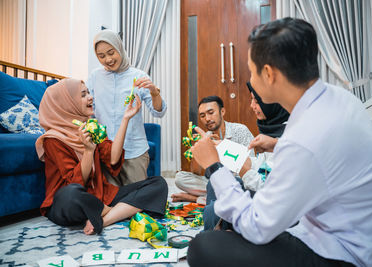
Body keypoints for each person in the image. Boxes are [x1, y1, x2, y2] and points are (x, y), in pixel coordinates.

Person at [187, 18, 372, 267]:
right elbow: (317, 155)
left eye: (252, 71)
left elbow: (257, 225)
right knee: (230, 212)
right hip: (341, 231)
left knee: (203, 247)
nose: (251, 80)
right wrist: (277, 144)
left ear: (268, 74)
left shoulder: (305, 138)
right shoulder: (338, 99)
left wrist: (213, 166)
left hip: (345, 255)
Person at [35, 78, 168, 235]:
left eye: (89, 93)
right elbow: (76, 181)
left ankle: (104, 219)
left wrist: (126, 119)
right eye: (83, 95)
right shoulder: (53, 139)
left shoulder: (92, 127)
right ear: (67, 104)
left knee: (158, 183)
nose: (90, 97)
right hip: (71, 201)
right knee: (70, 194)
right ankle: (117, 210)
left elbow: (113, 158)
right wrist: (88, 151)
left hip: (102, 195)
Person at [203, 82, 289, 230]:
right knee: (211, 183)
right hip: (251, 179)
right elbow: (260, 165)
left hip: (272, 205)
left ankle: (215, 231)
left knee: (214, 207)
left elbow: (272, 190)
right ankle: (218, 228)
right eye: (202, 115)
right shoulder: (271, 130)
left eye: (256, 100)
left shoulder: (289, 137)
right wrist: (223, 149)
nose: (252, 106)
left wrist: (244, 171)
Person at [87, 30, 167, 185]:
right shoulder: (95, 77)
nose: (108, 59)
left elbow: (158, 112)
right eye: (101, 56)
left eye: (111, 53)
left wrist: (154, 92)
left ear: (120, 49)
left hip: (134, 150)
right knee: (112, 200)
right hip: (106, 151)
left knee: (136, 200)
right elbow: (88, 110)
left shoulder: (138, 75)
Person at [171, 95, 254, 204]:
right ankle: (214, 196)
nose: (207, 119)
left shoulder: (240, 130)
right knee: (180, 178)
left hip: (239, 180)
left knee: (239, 185)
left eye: (211, 113)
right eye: (202, 115)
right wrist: (197, 151)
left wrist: (222, 146)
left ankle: (196, 199)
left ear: (222, 111)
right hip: (215, 181)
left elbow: (252, 164)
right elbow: (197, 172)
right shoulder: (206, 137)